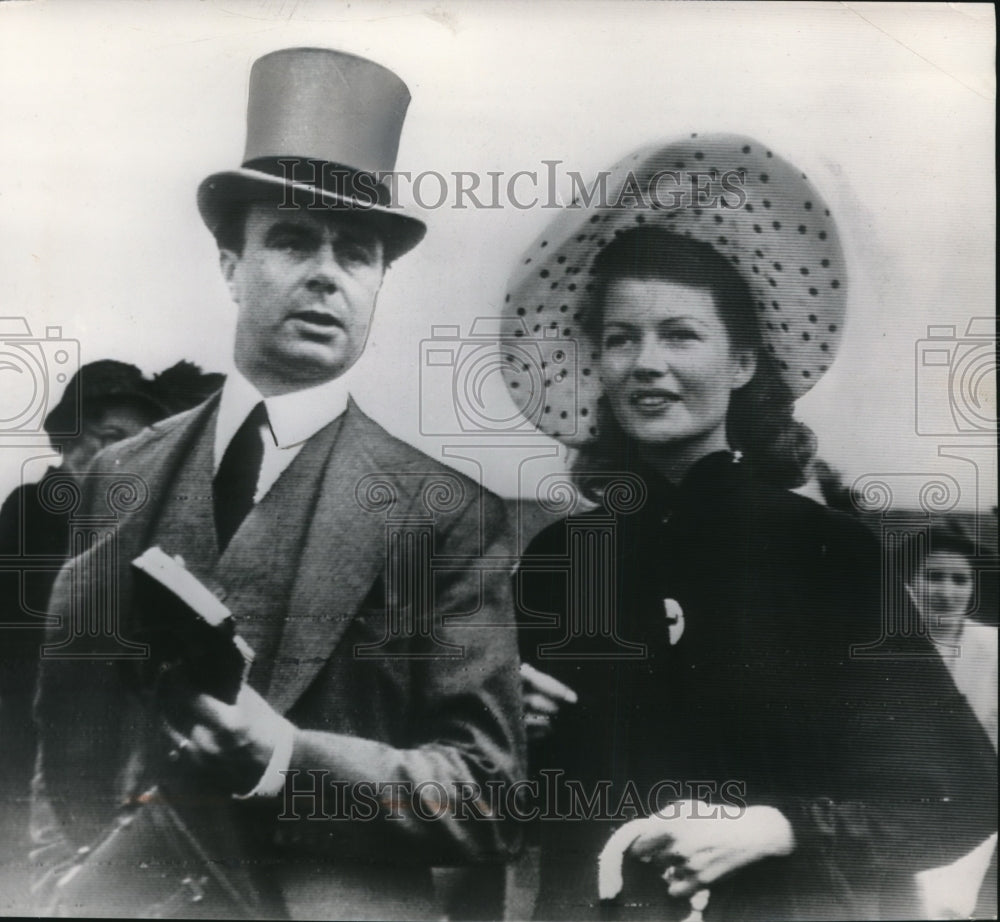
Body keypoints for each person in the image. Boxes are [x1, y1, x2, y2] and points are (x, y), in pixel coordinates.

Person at [31, 47, 523, 920]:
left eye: (358, 252)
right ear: (230, 265)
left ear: (378, 282)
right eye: (294, 238)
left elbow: (486, 796)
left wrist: (286, 759)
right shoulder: (119, 476)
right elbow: (67, 724)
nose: (327, 273)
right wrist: (53, 881)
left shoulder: (446, 512)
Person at [503, 135, 997, 920]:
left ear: (742, 364)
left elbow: (957, 794)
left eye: (680, 334)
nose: (645, 363)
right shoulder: (561, 560)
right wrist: (505, 726)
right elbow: (508, 814)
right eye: (621, 338)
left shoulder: (822, 551)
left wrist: (775, 826)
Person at [903, 519, 997, 919]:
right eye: (933, 576)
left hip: (977, 813)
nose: (946, 591)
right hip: (901, 812)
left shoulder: (994, 648)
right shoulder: (887, 650)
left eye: (959, 579)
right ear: (909, 583)